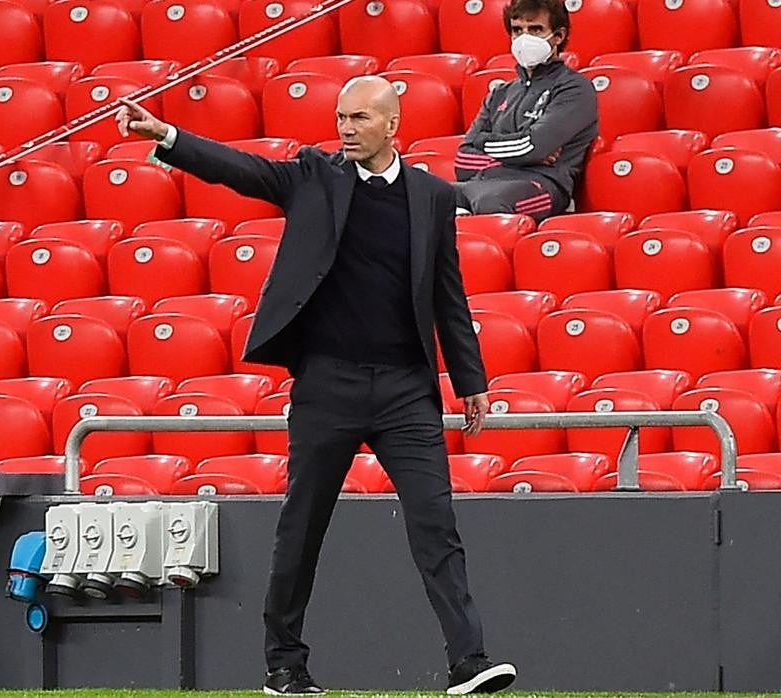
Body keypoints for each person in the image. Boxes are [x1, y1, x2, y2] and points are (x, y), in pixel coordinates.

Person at [116, 76, 515, 696]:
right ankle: (285, 664)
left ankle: (468, 661)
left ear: (392, 126)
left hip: (408, 388)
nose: (345, 128)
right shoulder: (312, 175)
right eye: (340, 116)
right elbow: (239, 169)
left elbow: (447, 294)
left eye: (358, 118)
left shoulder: (433, 197)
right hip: (328, 382)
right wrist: (168, 137)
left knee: (436, 522)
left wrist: (471, 381)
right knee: (302, 526)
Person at [453, 0, 598, 222]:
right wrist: (522, 154)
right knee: (426, 197)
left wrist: (483, 143)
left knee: (490, 202)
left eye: (536, 29)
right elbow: (463, 159)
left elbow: (533, 146)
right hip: (484, 181)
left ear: (558, 36)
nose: (524, 38)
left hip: (543, 184)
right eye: (517, 30)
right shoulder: (500, 93)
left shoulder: (574, 89)